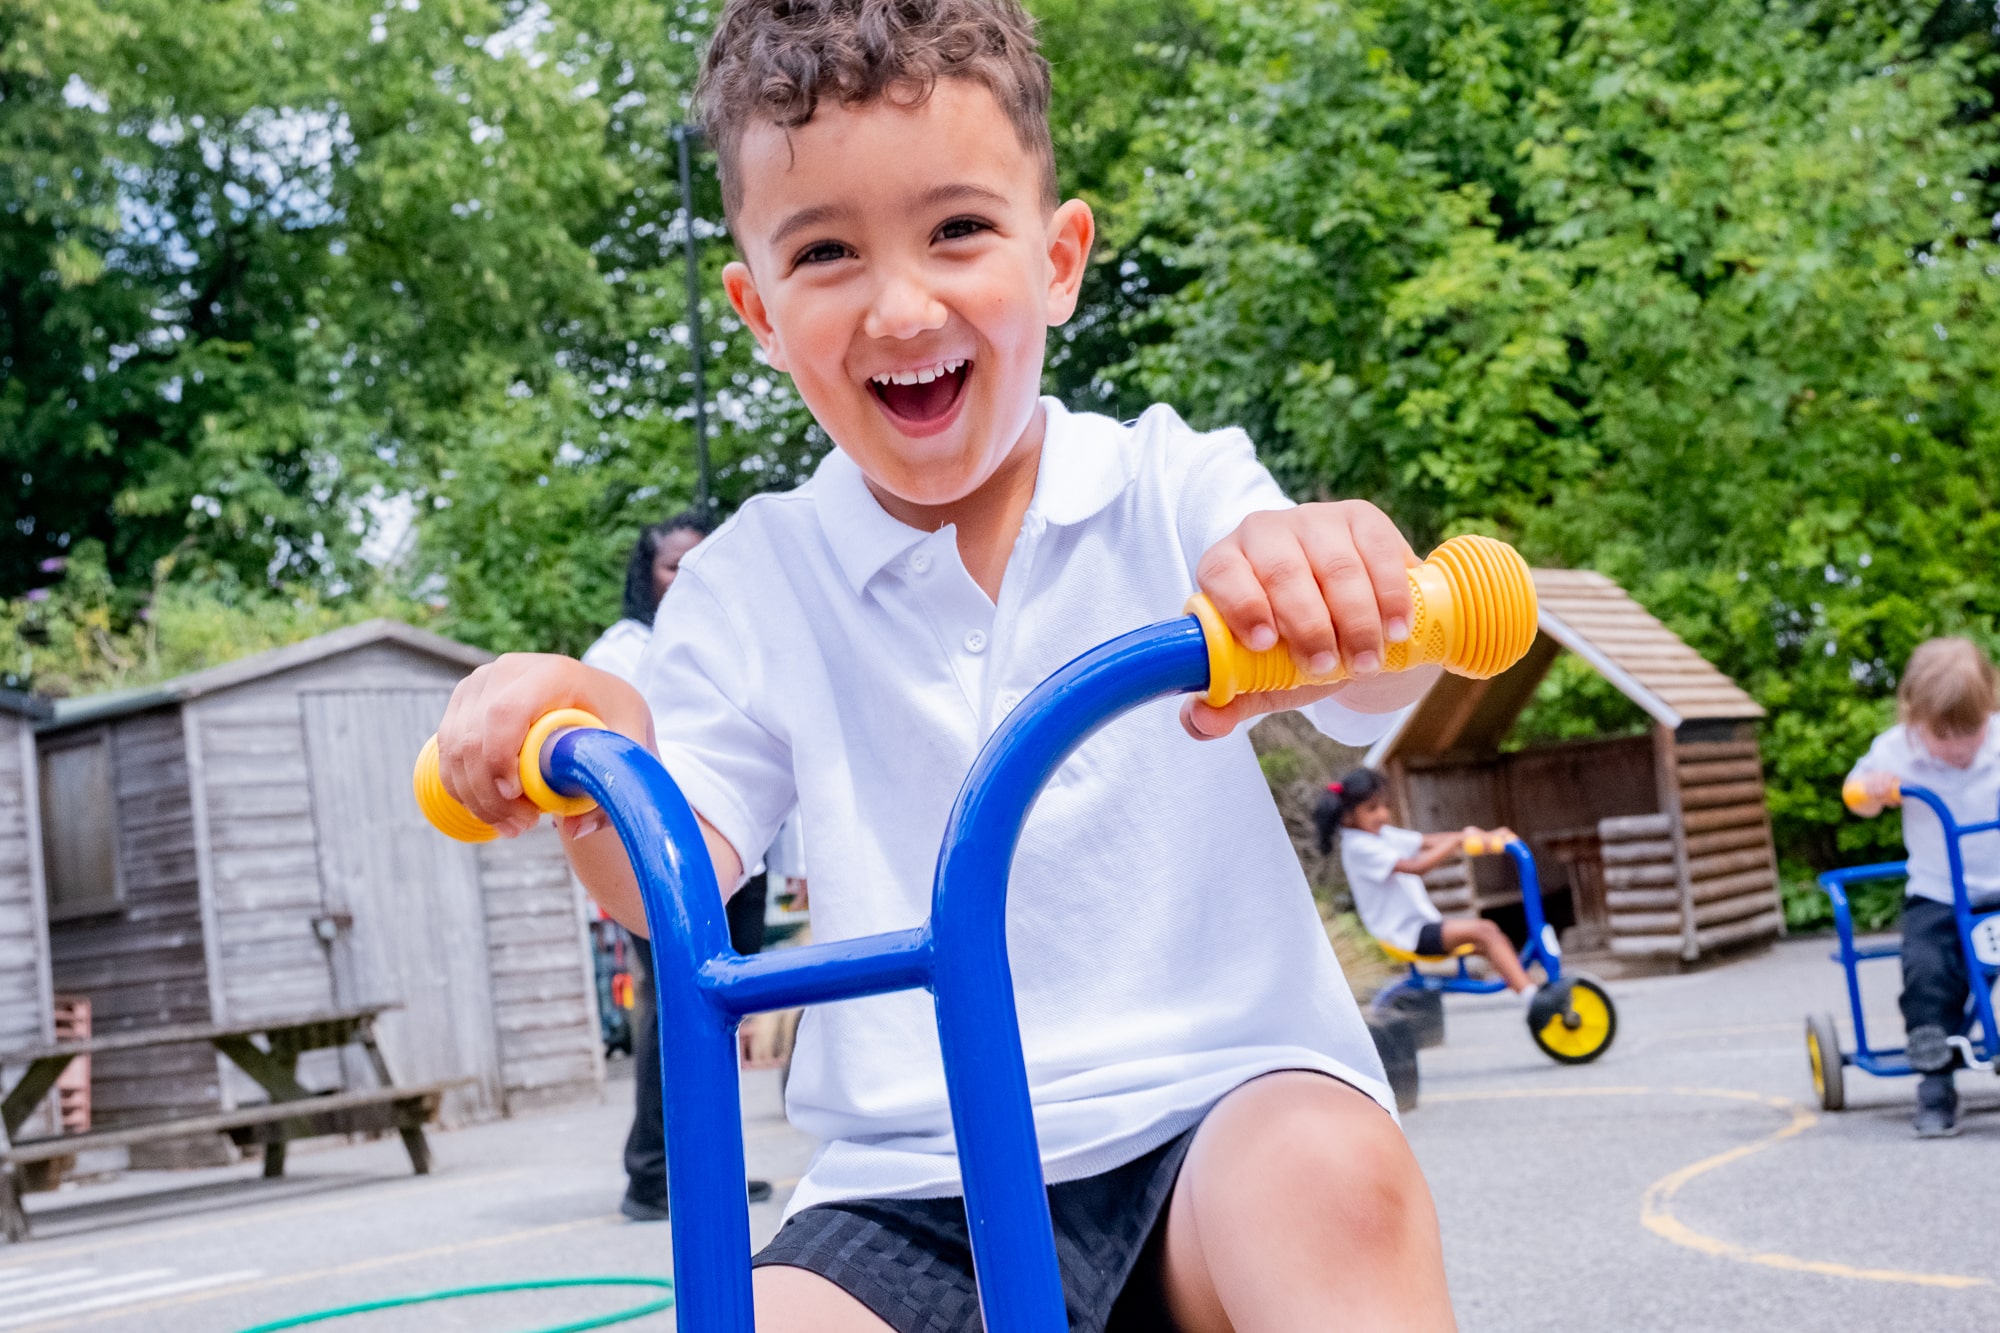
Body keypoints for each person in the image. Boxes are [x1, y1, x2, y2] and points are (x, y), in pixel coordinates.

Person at [433, 1, 1456, 1328]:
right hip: (913, 1177)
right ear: (755, 307)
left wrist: (1338, 579)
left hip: (1219, 1103)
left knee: (1332, 1185)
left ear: (1060, 260)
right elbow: (665, 872)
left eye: (959, 229)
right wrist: (593, 745)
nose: (902, 304)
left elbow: (1370, 681)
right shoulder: (759, 575)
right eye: (825, 252)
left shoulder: (1171, 484)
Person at [583, 511, 775, 1218]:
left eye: (700, 561)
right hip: (664, 859)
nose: (686, 575)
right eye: (672, 565)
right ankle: (652, 1171)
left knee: (724, 1011)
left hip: (742, 857)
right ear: (647, 574)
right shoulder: (623, 650)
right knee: (675, 1008)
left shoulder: (740, 635)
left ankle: (710, 1167)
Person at [1845, 636, 2000, 1139]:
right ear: (1914, 717)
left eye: (1970, 731)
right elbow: (1857, 798)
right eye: (1943, 734)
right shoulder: (1896, 751)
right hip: (1939, 895)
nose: (1958, 747)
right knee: (1927, 972)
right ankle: (1935, 1077)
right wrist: (1872, 792)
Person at [1315, 769, 1532, 993]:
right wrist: (1460, 838)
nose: (1383, 814)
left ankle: (1527, 990)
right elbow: (1417, 867)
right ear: (1348, 815)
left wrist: (1486, 836)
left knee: (1492, 940)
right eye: (1372, 808)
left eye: (1385, 806)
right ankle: (1532, 997)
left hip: (1421, 926)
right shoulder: (1358, 846)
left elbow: (1429, 841)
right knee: (1485, 930)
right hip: (1406, 934)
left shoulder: (1381, 835)